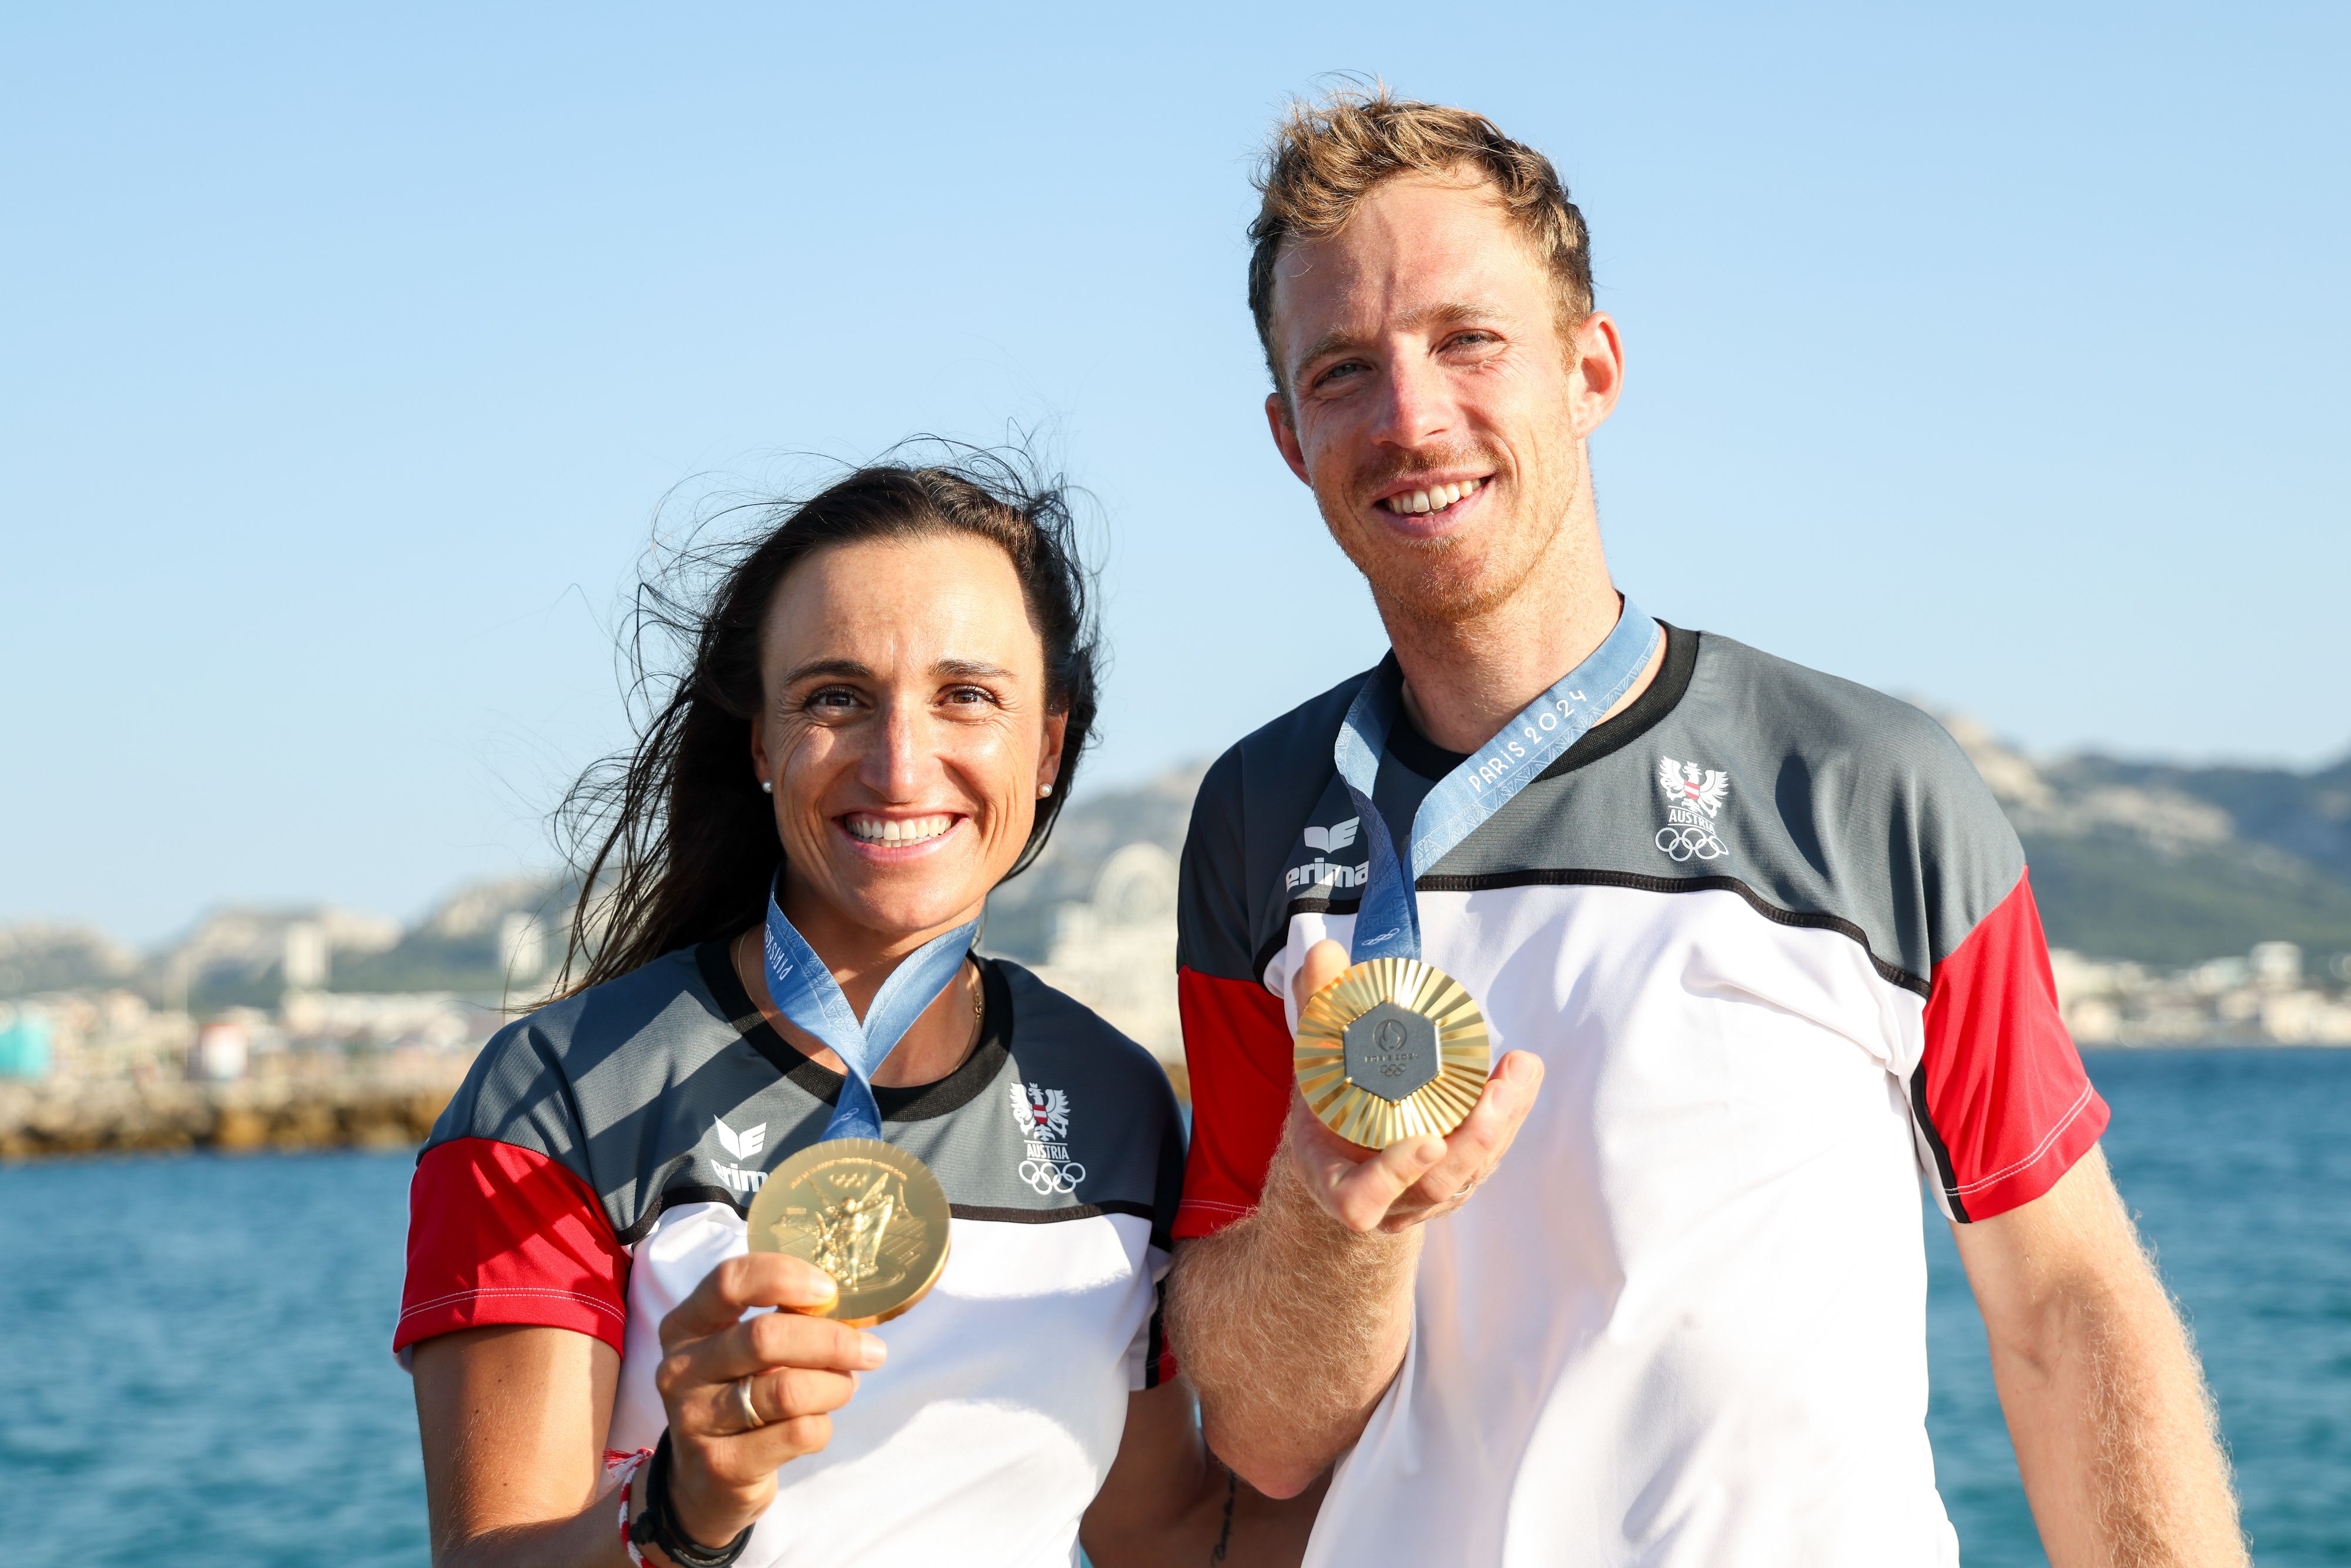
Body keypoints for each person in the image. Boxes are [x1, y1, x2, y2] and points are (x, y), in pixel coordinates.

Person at [1165, 89, 2248, 1567]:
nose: (1411, 416)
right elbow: (1263, 1432)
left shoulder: (1870, 784)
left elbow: (2063, 1300)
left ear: (1588, 369)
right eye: (1345, 369)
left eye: (1467, 339)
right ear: (1291, 438)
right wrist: (1327, 1217)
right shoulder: (1255, 818)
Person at [399, 457, 1314, 1567]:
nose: (898, 762)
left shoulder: (1113, 1096)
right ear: (760, 745)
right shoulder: (556, 1092)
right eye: (834, 697)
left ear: (1048, 747)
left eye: (967, 697)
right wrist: (676, 1512)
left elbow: (1164, 1533)